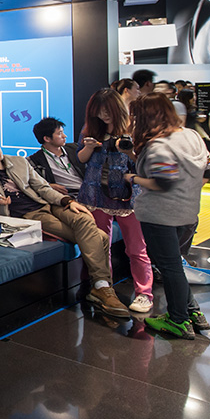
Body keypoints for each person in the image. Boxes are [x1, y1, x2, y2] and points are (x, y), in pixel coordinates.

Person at [0, 130, 129, 318]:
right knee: (101, 237)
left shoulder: (18, 161)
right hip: (29, 215)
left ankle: (99, 288)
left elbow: (42, 187)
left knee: (83, 217)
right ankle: (102, 288)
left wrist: (67, 201)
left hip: (48, 203)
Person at [126, 93, 210, 339]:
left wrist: (133, 178)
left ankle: (178, 320)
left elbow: (163, 181)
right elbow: (206, 171)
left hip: (160, 216)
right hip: (188, 213)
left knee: (169, 268)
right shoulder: (191, 135)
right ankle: (193, 312)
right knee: (175, 265)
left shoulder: (159, 146)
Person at [75, 89, 155, 313]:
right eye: (98, 111)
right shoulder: (91, 129)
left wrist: (128, 151)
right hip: (95, 194)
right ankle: (103, 289)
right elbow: (81, 158)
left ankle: (144, 294)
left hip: (128, 196)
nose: (103, 115)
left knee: (137, 248)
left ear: (117, 108)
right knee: (100, 246)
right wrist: (89, 147)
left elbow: (144, 164)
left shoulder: (135, 128)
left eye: (107, 110)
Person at [27, 116, 84, 199]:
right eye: (59, 133)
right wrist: (49, 185)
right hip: (67, 196)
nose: (64, 136)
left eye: (63, 132)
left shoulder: (74, 148)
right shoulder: (34, 161)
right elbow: (29, 183)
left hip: (89, 191)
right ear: (47, 138)